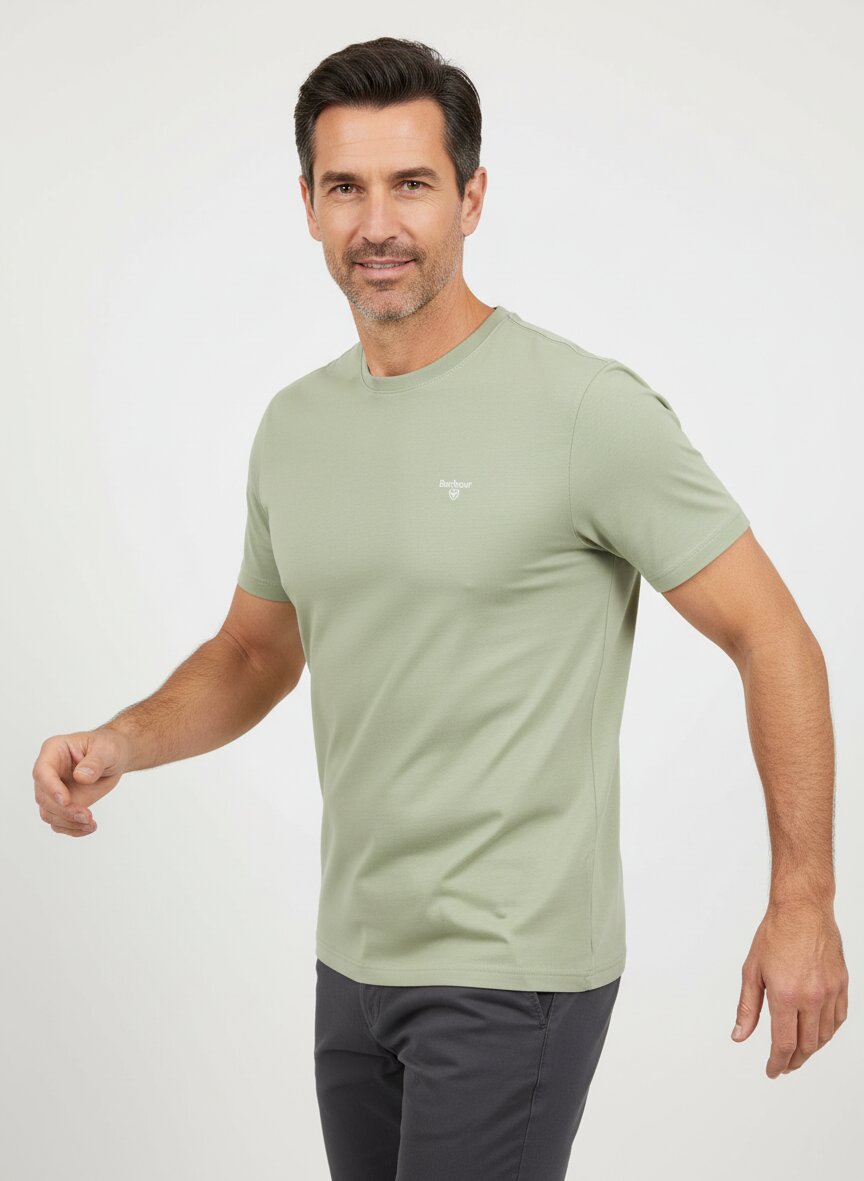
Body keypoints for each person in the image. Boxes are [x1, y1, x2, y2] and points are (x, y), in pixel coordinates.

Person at [33, 35, 848, 1181]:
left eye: (411, 183)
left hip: (510, 971)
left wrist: (804, 897)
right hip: (354, 962)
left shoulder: (583, 410)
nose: (378, 223)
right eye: (345, 188)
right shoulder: (295, 426)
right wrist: (122, 739)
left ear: (471, 196)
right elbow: (256, 651)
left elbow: (775, 635)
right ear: (307, 205)